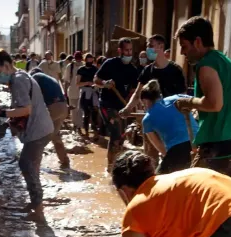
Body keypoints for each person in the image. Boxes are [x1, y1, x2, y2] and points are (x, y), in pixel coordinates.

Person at [175, 16, 231, 185]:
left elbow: (214, 104)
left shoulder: (206, 64)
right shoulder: (223, 60)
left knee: (200, 194)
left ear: (197, 42)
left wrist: (188, 102)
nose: (182, 52)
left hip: (218, 144)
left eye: (184, 46)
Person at [0, 49, 53, 222]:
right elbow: (19, 110)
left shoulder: (18, 80)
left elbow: (26, 109)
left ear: (6, 65)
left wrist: (2, 112)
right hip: (41, 129)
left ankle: (38, 210)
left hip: (38, 131)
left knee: (26, 164)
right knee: (31, 167)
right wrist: (6, 123)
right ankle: (35, 204)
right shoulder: (20, 77)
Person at [94, 38, 139, 166]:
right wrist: (104, 83)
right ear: (120, 51)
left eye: (130, 50)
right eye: (126, 50)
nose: (129, 53)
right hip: (107, 104)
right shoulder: (110, 64)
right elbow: (96, 79)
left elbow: (134, 90)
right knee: (115, 134)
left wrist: (130, 104)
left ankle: (117, 164)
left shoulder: (132, 69)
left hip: (122, 106)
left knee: (122, 137)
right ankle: (111, 167)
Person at [120, 34, 187, 115]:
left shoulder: (175, 70)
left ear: (161, 46)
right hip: (152, 116)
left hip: (170, 116)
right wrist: (127, 108)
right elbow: (137, 94)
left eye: (151, 46)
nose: (148, 49)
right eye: (147, 46)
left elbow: (182, 96)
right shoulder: (147, 70)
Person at [139, 81, 197, 174]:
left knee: (156, 179)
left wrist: (170, 159)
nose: (144, 108)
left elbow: (160, 147)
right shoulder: (177, 98)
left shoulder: (147, 119)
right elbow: (198, 102)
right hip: (199, 142)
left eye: (143, 105)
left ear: (145, 101)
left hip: (178, 150)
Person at [30, 69, 71, 169]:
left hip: (53, 108)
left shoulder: (35, 77)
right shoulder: (50, 79)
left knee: (37, 134)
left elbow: (33, 97)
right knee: (55, 135)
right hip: (63, 108)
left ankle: (33, 161)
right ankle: (64, 160)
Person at [76, 53, 98, 139]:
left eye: (91, 59)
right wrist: (87, 83)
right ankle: (86, 131)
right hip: (85, 93)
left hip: (94, 92)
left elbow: (98, 80)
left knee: (94, 112)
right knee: (86, 113)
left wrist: (94, 83)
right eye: (88, 59)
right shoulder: (81, 70)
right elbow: (77, 83)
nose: (90, 61)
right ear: (85, 60)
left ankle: (95, 132)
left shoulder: (95, 69)